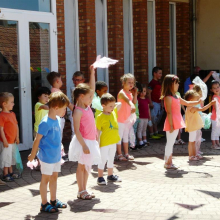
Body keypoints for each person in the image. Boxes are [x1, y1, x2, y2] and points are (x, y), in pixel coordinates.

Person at [28, 91, 69, 213]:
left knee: (54, 178)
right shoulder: (45, 122)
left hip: (56, 156)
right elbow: (37, 139)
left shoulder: (56, 119)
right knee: (45, 179)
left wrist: (60, 147)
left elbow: (56, 136)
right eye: (64, 109)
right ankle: (44, 203)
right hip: (46, 157)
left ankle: (53, 200)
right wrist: (32, 154)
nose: (65, 112)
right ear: (56, 108)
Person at [68, 65, 101, 200]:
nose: (91, 99)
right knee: (81, 167)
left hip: (90, 140)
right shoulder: (77, 111)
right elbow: (76, 130)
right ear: (81, 97)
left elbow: (91, 89)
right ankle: (80, 190)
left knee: (87, 167)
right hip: (83, 143)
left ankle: (85, 189)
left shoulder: (87, 107)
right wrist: (84, 145)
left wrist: (92, 72)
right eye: (89, 97)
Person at [161, 75, 202, 169]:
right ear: (170, 84)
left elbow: (187, 103)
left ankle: (169, 162)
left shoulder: (176, 96)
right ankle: (167, 163)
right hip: (172, 122)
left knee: (171, 143)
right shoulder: (168, 97)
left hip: (176, 120)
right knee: (170, 143)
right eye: (176, 83)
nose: (178, 84)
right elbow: (169, 112)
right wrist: (171, 125)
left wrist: (198, 101)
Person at [96, 93, 122, 185]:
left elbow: (120, 104)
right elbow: (97, 131)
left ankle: (110, 175)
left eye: (113, 105)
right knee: (102, 160)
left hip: (113, 141)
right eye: (110, 106)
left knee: (111, 159)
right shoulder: (100, 117)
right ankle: (100, 177)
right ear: (103, 106)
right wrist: (97, 143)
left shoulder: (113, 112)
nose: (112, 107)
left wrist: (113, 105)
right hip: (104, 142)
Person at [184, 90, 215, 161]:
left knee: (193, 141)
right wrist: (210, 103)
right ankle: (191, 156)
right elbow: (203, 109)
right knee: (191, 142)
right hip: (192, 127)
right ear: (191, 100)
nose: (197, 101)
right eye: (196, 99)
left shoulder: (190, 107)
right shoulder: (192, 107)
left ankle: (194, 155)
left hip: (193, 126)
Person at [0, 92, 21, 182]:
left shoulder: (12, 114)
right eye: (12, 102)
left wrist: (17, 137)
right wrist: (4, 140)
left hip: (12, 140)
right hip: (6, 141)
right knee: (6, 157)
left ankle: (11, 172)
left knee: (12, 157)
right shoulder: (1, 115)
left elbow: (16, 126)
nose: (13, 104)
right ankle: (5, 174)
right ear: (4, 104)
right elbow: (1, 129)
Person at [116, 74, 136, 161]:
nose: (131, 84)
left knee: (125, 136)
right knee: (119, 137)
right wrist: (131, 105)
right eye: (129, 82)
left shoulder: (130, 93)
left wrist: (135, 94)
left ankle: (126, 153)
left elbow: (134, 102)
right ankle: (119, 154)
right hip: (120, 119)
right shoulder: (122, 93)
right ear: (123, 83)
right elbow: (128, 101)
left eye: (132, 82)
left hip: (127, 119)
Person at [66, 71, 86, 138]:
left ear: (83, 80)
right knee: (75, 131)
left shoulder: (85, 89)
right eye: (74, 79)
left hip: (84, 112)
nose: (76, 82)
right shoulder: (73, 89)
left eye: (78, 80)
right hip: (75, 111)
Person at [148, 67, 164, 140]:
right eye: (159, 73)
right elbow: (148, 93)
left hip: (158, 102)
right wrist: (150, 102)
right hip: (154, 103)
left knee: (157, 118)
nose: (161, 75)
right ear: (154, 73)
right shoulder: (152, 83)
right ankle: (153, 133)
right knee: (153, 118)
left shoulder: (158, 82)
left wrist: (162, 102)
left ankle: (156, 132)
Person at [210, 80, 220, 149]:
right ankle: (213, 144)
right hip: (215, 116)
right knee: (214, 130)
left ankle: (217, 143)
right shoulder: (215, 97)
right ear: (211, 90)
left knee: (218, 130)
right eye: (214, 88)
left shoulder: (218, 96)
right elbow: (216, 108)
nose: (216, 89)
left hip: (218, 116)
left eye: (217, 87)